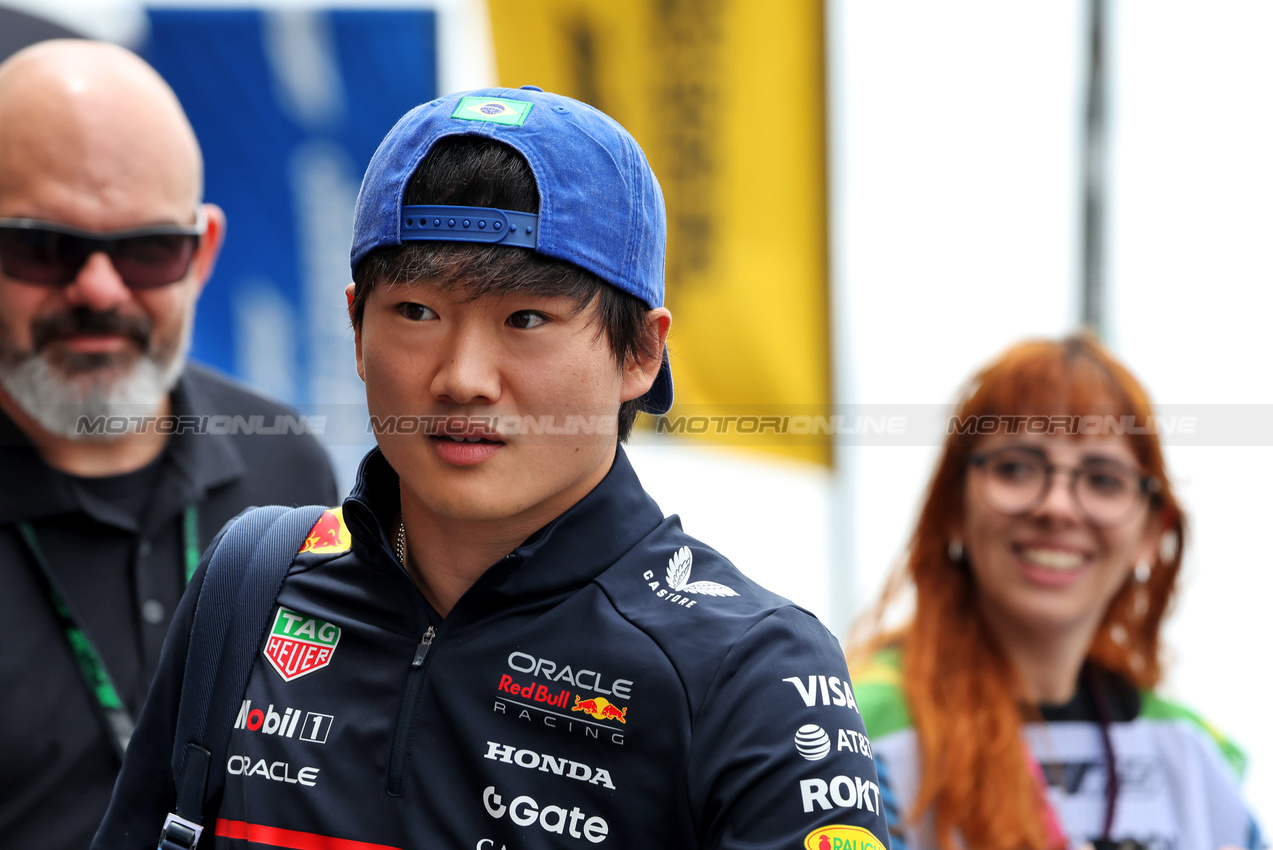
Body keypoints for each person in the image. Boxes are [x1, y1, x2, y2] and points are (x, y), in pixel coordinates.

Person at [93, 86, 890, 850]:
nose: (463, 378)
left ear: (641, 353)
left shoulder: (754, 672)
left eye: (525, 318)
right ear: (356, 328)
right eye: (417, 312)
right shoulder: (252, 583)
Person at [0, 39, 338, 848]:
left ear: (203, 253)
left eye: (147, 249)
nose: (98, 288)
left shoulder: (288, 465)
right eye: (44, 246)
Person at [847, 335, 1262, 850]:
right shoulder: (859, 733)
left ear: (1152, 534)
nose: (1058, 507)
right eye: (1016, 468)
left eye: (1103, 480)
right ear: (953, 506)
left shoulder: (1192, 757)